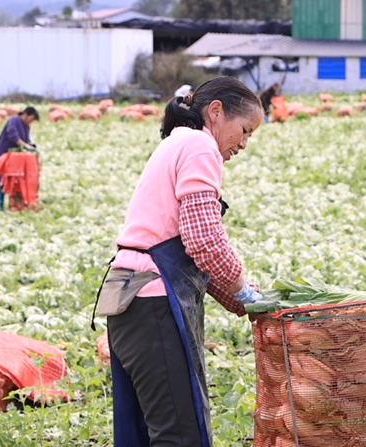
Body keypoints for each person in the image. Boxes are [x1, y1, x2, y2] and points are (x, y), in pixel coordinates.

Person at [98, 76, 264, 447]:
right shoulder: (200, 146)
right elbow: (203, 239)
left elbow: (188, 248)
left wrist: (241, 302)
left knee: (143, 431)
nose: (244, 143)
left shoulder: (177, 143)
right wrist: (245, 289)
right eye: (245, 130)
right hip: (153, 301)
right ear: (216, 112)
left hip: (125, 295)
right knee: (180, 434)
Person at [0, 106, 38, 212]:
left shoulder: (26, 126)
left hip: (15, 158)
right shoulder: (14, 120)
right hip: (3, 153)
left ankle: (15, 206)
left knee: (14, 181)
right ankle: (0, 206)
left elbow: (26, 139)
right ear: (26, 114)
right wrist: (25, 145)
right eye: (31, 118)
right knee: (1, 179)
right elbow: (12, 135)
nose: (31, 122)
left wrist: (30, 145)